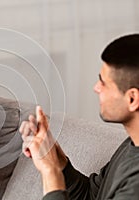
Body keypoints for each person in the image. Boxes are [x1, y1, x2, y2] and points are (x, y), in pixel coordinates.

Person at [19, 33, 139, 199]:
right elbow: (91, 196)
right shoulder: (131, 145)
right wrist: (59, 164)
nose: (96, 88)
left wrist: (50, 171)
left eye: (103, 83)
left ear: (132, 99)